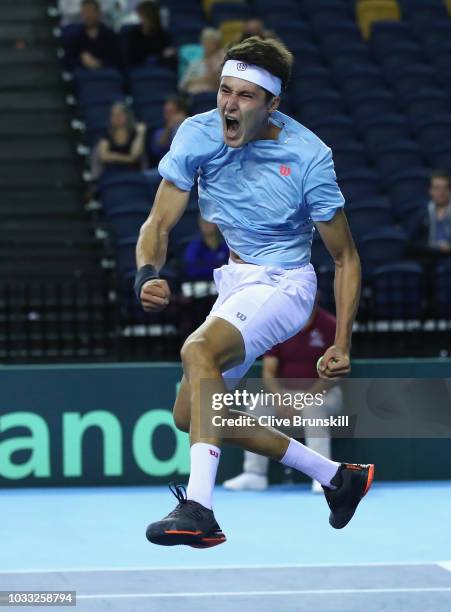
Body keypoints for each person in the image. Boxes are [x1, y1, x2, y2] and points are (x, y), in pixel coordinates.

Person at [135, 36, 374, 548]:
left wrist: (343, 342)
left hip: (286, 283)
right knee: (191, 413)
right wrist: (146, 272)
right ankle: (339, 478)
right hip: (238, 280)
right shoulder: (197, 135)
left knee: (197, 351)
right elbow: (158, 220)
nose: (229, 104)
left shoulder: (309, 157)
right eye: (225, 90)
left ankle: (199, 508)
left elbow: (345, 257)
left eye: (246, 96)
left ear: (272, 106)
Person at [223, 296, 343, 493]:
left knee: (313, 407)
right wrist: (280, 398)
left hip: (323, 393)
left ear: (315, 299)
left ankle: (324, 475)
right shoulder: (281, 325)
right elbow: (268, 372)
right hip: (286, 393)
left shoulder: (330, 326)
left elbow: (333, 376)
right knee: (257, 403)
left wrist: (305, 399)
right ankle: (255, 474)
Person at [64, 0, 121, 70]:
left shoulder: (109, 35)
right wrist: (82, 60)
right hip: (84, 73)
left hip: (106, 73)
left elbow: (117, 59)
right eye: (85, 12)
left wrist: (99, 63)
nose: (88, 15)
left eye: (91, 12)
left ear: (98, 13)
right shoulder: (76, 36)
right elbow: (69, 59)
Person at [97, 102, 146, 176]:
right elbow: (103, 156)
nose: (117, 117)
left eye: (120, 114)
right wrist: (128, 159)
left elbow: (135, 155)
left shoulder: (134, 133)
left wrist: (140, 134)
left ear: (127, 115)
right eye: (114, 115)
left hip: (133, 172)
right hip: (112, 173)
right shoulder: (106, 134)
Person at [125, 1, 176, 68]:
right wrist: (158, 58)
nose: (141, 18)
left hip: (160, 67)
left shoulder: (162, 34)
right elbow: (133, 58)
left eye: (142, 15)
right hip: (139, 67)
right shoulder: (134, 34)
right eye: (140, 15)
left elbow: (168, 54)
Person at [179, 28, 224, 95]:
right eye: (205, 42)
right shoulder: (195, 63)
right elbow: (183, 85)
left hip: (214, 97)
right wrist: (202, 80)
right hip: (195, 98)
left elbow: (220, 84)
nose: (207, 45)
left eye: (211, 42)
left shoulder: (222, 62)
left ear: (217, 45)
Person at [183, 216, 229, 280]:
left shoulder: (227, 246)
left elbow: (233, 268)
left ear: (217, 224)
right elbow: (190, 269)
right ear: (199, 224)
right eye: (203, 222)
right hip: (199, 284)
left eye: (209, 222)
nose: (206, 225)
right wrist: (218, 269)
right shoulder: (193, 247)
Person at [149, 96, 188, 161]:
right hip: (166, 165)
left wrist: (185, 121)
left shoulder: (193, 124)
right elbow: (159, 146)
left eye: (171, 112)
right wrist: (169, 128)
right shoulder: (160, 130)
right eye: (166, 113)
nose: (167, 116)